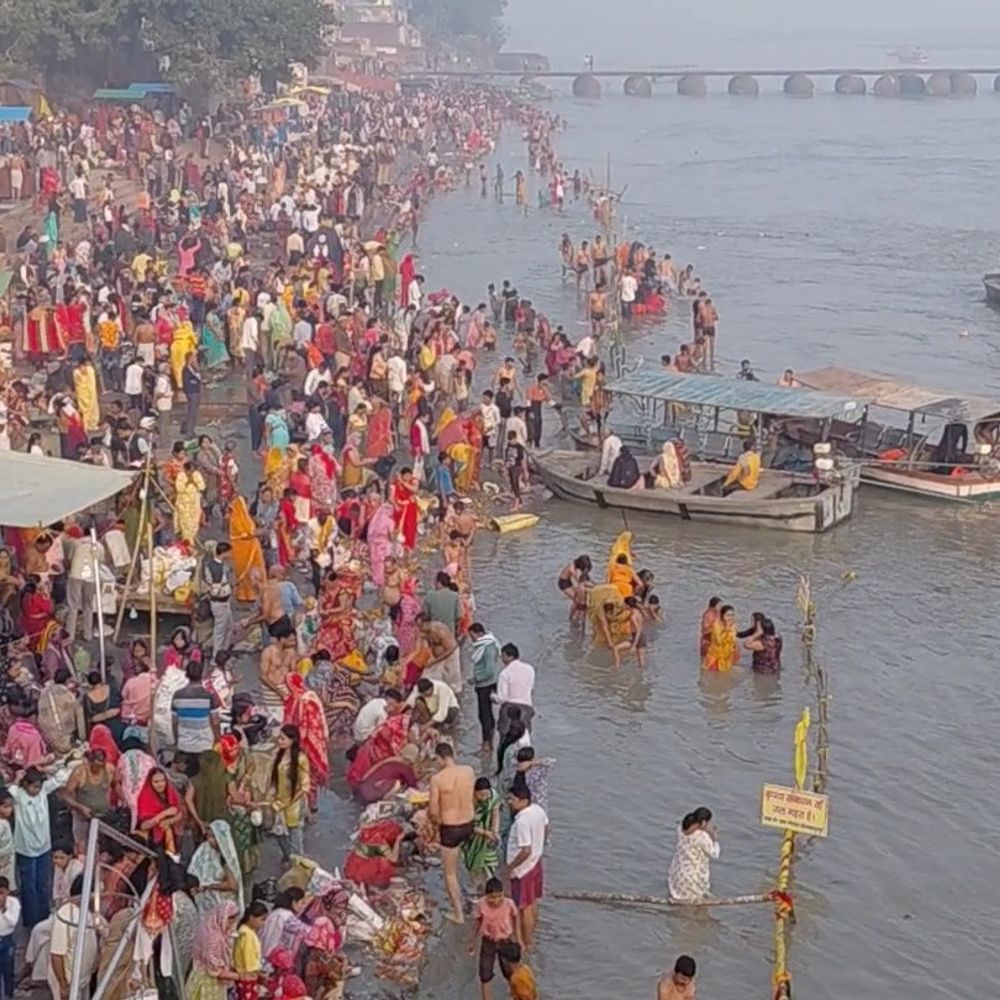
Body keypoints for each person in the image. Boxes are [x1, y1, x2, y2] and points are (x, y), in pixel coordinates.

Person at [9, 766, 68, 930]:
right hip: (25, 849)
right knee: (29, 886)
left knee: (43, 884)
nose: (36, 790)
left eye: (39, 786)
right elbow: (10, 790)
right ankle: (31, 921)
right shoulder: (18, 796)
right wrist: (17, 778)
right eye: (33, 786)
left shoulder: (43, 791)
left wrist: (47, 769)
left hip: (43, 847)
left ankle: (44, 917)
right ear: (25, 785)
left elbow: (61, 777)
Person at [429, 742, 476, 925]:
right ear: (453, 754)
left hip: (451, 827)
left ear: (440, 759)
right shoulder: (469, 771)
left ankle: (458, 913)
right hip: (469, 822)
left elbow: (433, 810)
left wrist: (434, 825)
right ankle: (475, 897)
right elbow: (472, 796)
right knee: (471, 864)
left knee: (450, 873)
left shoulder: (437, 779)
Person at [506, 784, 548, 951]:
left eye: (513, 799)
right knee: (533, 901)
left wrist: (511, 866)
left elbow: (525, 849)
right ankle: (531, 935)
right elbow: (547, 829)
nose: (510, 802)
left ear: (523, 800)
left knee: (524, 907)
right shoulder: (538, 810)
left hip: (523, 869)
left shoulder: (522, 820)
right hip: (536, 862)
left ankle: (526, 941)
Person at [282, 673, 329, 811]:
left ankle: (308, 807)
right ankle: (307, 806)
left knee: (306, 775)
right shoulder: (302, 698)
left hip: (307, 746)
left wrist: (298, 745)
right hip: (308, 744)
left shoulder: (305, 702)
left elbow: (305, 727)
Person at [468, 876, 520, 1000]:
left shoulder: (509, 904)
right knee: (485, 973)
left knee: (510, 971)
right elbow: (477, 922)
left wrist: (518, 938)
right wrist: (471, 940)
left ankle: (516, 995)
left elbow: (516, 917)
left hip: (505, 940)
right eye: (492, 897)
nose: (496, 900)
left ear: (503, 894)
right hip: (488, 941)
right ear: (486, 896)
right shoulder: (481, 904)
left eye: (499, 896)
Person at [269, 724, 310, 862]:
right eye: (279, 738)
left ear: (292, 740)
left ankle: (298, 864)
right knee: (278, 833)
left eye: (282, 739)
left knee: (295, 838)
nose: (279, 741)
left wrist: (287, 803)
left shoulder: (301, 759)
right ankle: (288, 856)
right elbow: (274, 778)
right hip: (279, 801)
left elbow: (304, 787)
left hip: (294, 804)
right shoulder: (278, 755)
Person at [186, 902, 244, 1000]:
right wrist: (239, 976)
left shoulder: (207, 929)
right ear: (222, 918)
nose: (231, 926)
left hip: (198, 976)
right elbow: (214, 969)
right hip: (208, 981)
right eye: (229, 922)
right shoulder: (213, 938)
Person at [60, 749, 116, 850]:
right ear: (90, 762)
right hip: (83, 818)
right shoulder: (79, 772)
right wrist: (80, 807)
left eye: (101, 764)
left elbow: (116, 785)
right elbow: (65, 795)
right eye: (96, 764)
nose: (99, 768)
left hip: (103, 817)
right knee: (83, 848)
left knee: (102, 848)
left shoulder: (109, 770)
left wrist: (125, 800)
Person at [188, 819, 244, 916]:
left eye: (213, 837)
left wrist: (209, 886)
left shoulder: (227, 857)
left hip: (221, 903)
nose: (210, 840)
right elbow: (194, 869)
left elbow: (232, 885)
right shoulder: (205, 849)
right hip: (204, 900)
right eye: (208, 836)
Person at [667, 808, 720, 902]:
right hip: (693, 877)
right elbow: (714, 854)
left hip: (679, 873)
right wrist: (715, 839)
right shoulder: (701, 837)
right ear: (703, 823)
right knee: (696, 900)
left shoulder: (681, 829)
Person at [172, 661, 222, 754]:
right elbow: (215, 721)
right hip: (205, 745)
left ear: (186, 675)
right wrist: (218, 739)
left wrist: (176, 740)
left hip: (184, 745)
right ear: (202, 675)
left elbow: (174, 722)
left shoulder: (177, 695)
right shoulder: (208, 696)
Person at [463, 778, 502, 890]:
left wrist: (495, 831)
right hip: (471, 835)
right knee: (472, 862)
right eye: (481, 795)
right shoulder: (468, 801)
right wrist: (483, 832)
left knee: (489, 861)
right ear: (475, 792)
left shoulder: (493, 796)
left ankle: (489, 886)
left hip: (488, 834)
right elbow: (465, 823)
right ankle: (474, 886)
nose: (485, 797)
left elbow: (495, 814)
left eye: (486, 794)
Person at [469, 623, 502, 752]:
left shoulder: (486, 648)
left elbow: (489, 670)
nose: (471, 639)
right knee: (487, 714)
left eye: (472, 636)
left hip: (485, 685)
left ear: (478, 634)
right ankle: (489, 740)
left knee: (484, 715)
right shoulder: (491, 643)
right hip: (489, 683)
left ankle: (486, 743)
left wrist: (476, 679)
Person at [496, 644, 535, 739]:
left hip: (510, 708)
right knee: (524, 737)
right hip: (527, 707)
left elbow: (502, 698)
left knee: (505, 737)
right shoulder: (530, 669)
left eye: (502, 656)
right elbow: (531, 687)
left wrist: (493, 696)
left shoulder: (505, 673)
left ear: (509, 656)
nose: (501, 659)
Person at [203, 542, 235, 657]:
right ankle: (216, 657)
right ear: (224, 553)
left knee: (229, 627)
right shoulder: (221, 568)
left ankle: (223, 651)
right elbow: (219, 586)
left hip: (218, 602)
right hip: (220, 602)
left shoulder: (209, 565)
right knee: (220, 631)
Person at [233, 901, 268, 1000]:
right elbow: (249, 961)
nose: (263, 923)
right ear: (252, 917)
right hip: (247, 977)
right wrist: (260, 975)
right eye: (262, 920)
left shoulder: (245, 931)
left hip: (246, 975)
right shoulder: (247, 935)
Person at [702, 604, 739, 672]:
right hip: (715, 656)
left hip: (727, 656)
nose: (730, 618)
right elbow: (719, 641)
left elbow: (733, 640)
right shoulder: (716, 625)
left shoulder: (733, 625)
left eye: (732, 615)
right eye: (728, 615)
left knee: (725, 676)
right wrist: (727, 628)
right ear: (722, 615)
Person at [0, 876, 19, 1000]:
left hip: (7, 939)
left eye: (1, 893)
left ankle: (9, 994)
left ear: (7, 891)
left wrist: (3, 910)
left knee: (8, 969)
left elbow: (13, 922)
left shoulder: (13, 903)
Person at [699, 596, 722, 662]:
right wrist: (715, 629)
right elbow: (704, 631)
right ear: (713, 606)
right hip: (707, 642)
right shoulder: (707, 615)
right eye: (719, 605)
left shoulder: (719, 613)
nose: (721, 607)